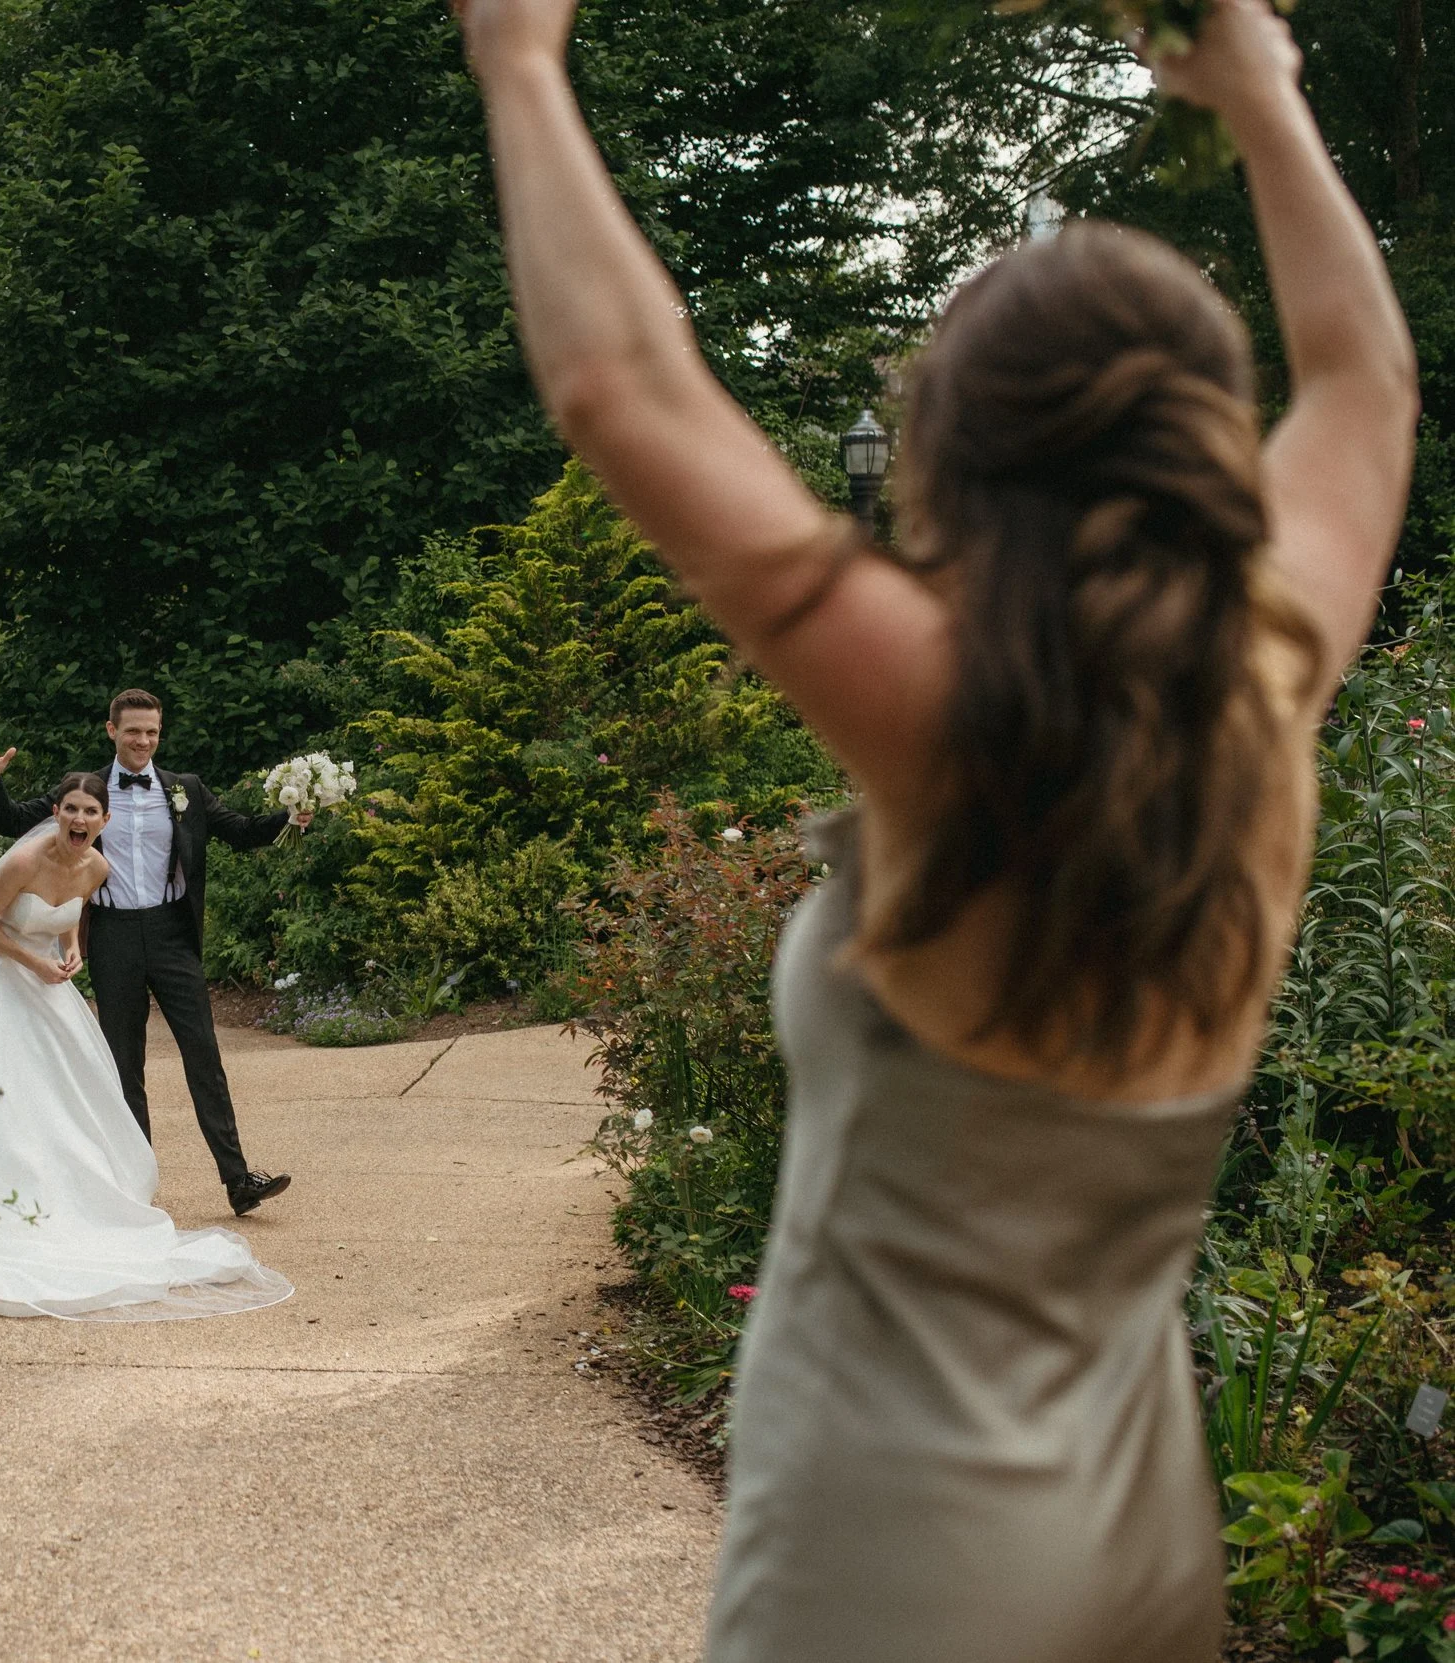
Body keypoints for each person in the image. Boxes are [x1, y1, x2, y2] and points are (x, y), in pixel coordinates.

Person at [455, 0, 1414, 1658]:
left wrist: (522, 61)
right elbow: (1364, 375)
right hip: (1138, 1530)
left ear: (950, 456)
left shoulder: (953, 724)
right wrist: (1263, 96)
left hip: (900, 1545)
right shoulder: (1268, 691)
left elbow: (624, 385)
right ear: (1201, 444)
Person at [0, 772, 293, 1319]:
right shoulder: (22, 862)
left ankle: (92, 1189)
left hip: (48, 981)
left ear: (104, 822)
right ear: (57, 812)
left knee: (67, 1089)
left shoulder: (98, 867)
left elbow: (70, 918)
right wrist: (37, 962)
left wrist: (69, 952)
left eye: (90, 813)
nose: (79, 820)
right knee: (5, 1091)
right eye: (71, 810)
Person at [0, 689, 309, 1216]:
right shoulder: (86, 795)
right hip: (114, 936)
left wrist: (289, 817)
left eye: (151, 731)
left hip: (173, 933)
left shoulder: (186, 790)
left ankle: (239, 1180)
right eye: (132, 731)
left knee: (204, 1054)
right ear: (112, 732)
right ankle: (136, 1185)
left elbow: (240, 832)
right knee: (125, 1063)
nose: (143, 741)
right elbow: (12, 821)